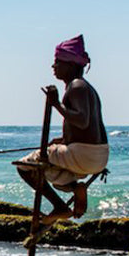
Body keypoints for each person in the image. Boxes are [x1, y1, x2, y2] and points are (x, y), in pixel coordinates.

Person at [15, 35, 108, 229]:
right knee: (54, 176)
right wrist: (64, 140)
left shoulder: (76, 86)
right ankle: (76, 188)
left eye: (57, 61)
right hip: (97, 156)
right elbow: (88, 128)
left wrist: (56, 103)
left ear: (71, 65)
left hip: (82, 155)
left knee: (24, 167)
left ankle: (59, 207)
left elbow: (82, 120)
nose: (53, 66)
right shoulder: (86, 88)